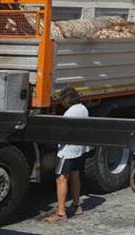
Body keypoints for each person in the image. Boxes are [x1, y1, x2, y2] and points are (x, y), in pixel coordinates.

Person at [44, 87, 88, 223]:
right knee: (75, 176)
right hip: (79, 149)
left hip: (67, 151)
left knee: (61, 178)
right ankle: (76, 205)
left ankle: (61, 213)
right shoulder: (83, 109)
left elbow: (61, 134)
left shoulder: (69, 114)